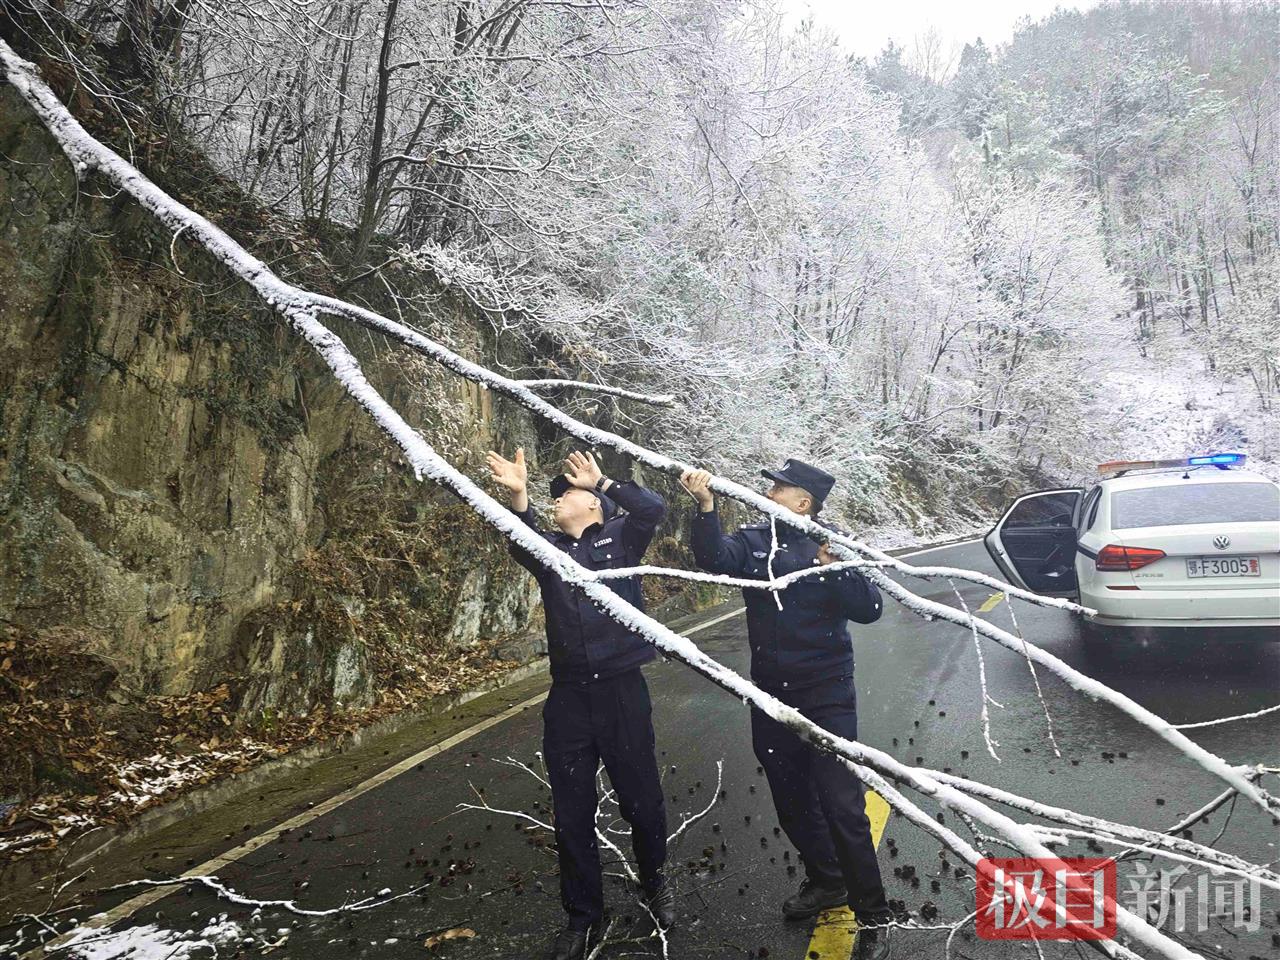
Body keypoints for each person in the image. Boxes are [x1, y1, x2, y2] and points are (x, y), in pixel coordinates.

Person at [680, 458, 894, 960]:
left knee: (842, 804)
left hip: (827, 694)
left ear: (804, 503)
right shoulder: (755, 541)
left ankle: (874, 913)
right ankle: (827, 881)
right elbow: (713, 558)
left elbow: (870, 610)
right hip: (770, 694)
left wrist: (832, 566)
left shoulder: (831, 544)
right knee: (791, 798)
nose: (768, 493)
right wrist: (706, 508)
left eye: (778, 488)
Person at [486, 447, 675, 960]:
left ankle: (655, 881)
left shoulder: (620, 536)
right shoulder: (549, 552)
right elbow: (520, 542)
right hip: (569, 696)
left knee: (641, 799)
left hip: (622, 690)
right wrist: (519, 494)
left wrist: (604, 481)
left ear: (592, 506)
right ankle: (583, 916)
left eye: (566, 494)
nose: (558, 501)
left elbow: (652, 509)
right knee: (571, 810)